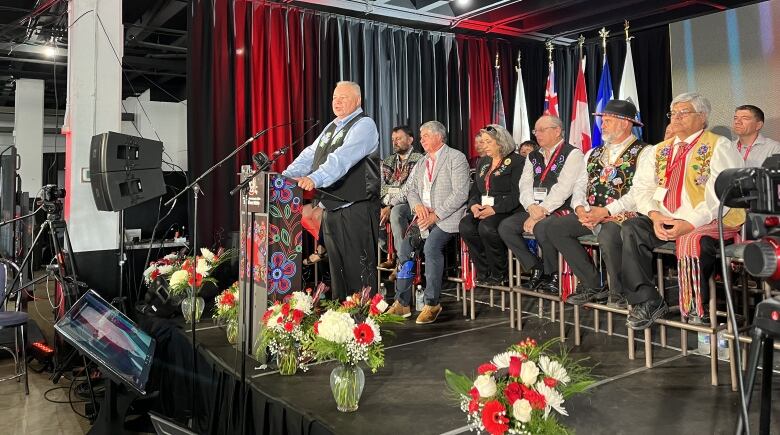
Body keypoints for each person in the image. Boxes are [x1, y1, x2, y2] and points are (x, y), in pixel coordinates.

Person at [621, 92, 745, 330]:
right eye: (673, 113)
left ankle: (695, 307)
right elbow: (642, 189)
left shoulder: (718, 145)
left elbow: (724, 192)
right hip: (665, 216)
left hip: (707, 218)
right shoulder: (659, 150)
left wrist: (689, 222)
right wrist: (655, 216)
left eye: (683, 112)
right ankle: (648, 300)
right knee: (631, 228)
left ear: (702, 117)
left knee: (692, 239)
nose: (676, 117)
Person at [544, 100, 649, 307]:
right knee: (555, 227)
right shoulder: (593, 153)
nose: (603, 125)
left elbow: (639, 193)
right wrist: (580, 208)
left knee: (609, 234)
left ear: (626, 123)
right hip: (592, 211)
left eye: (608, 120)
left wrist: (606, 211)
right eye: (603, 121)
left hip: (625, 214)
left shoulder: (645, 152)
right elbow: (581, 185)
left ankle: (620, 291)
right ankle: (593, 284)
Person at [282, 81, 380, 300]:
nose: (337, 102)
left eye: (343, 98)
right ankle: (341, 322)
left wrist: (314, 178)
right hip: (331, 207)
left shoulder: (364, 125)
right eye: (335, 97)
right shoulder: (332, 127)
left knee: (359, 271)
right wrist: (285, 177)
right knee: (337, 270)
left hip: (356, 208)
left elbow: (341, 159)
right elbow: (310, 154)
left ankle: (363, 322)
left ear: (358, 100)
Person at [386, 121, 469, 324]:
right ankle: (402, 302)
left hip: (447, 217)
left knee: (431, 248)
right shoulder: (422, 162)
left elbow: (460, 193)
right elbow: (412, 190)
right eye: (421, 136)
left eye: (425, 136)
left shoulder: (456, 158)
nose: (421, 139)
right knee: (405, 249)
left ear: (439, 137)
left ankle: (432, 303)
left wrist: (436, 215)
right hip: (423, 217)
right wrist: (417, 207)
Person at [498, 115, 585, 293]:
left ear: (557, 131)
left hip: (560, 208)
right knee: (506, 226)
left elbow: (564, 188)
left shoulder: (572, 153)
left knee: (542, 227)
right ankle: (535, 267)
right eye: (535, 131)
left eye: (541, 130)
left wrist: (541, 211)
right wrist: (531, 207)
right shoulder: (533, 155)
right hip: (534, 208)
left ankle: (554, 274)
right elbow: (524, 184)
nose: (537, 134)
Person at [459, 124, 524, 285]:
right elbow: (475, 191)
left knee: (486, 227)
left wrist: (494, 209)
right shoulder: (484, 161)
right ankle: (484, 270)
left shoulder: (517, 162)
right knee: (466, 225)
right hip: (483, 208)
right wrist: (473, 205)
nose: (483, 145)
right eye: (483, 142)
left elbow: (517, 195)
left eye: (488, 142)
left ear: (500, 142)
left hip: (508, 209)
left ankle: (499, 273)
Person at [378, 126, 424, 270]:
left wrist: (390, 204)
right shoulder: (388, 161)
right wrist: (386, 203)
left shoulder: (419, 159)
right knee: (370, 211)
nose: (395, 142)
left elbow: (410, 188)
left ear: (410, 140)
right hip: (387, 202)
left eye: (398, 139)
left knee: (396, 212)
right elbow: (381, 186)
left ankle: (402, 260)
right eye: (393, 139)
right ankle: (389, 252)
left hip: (411, 203)